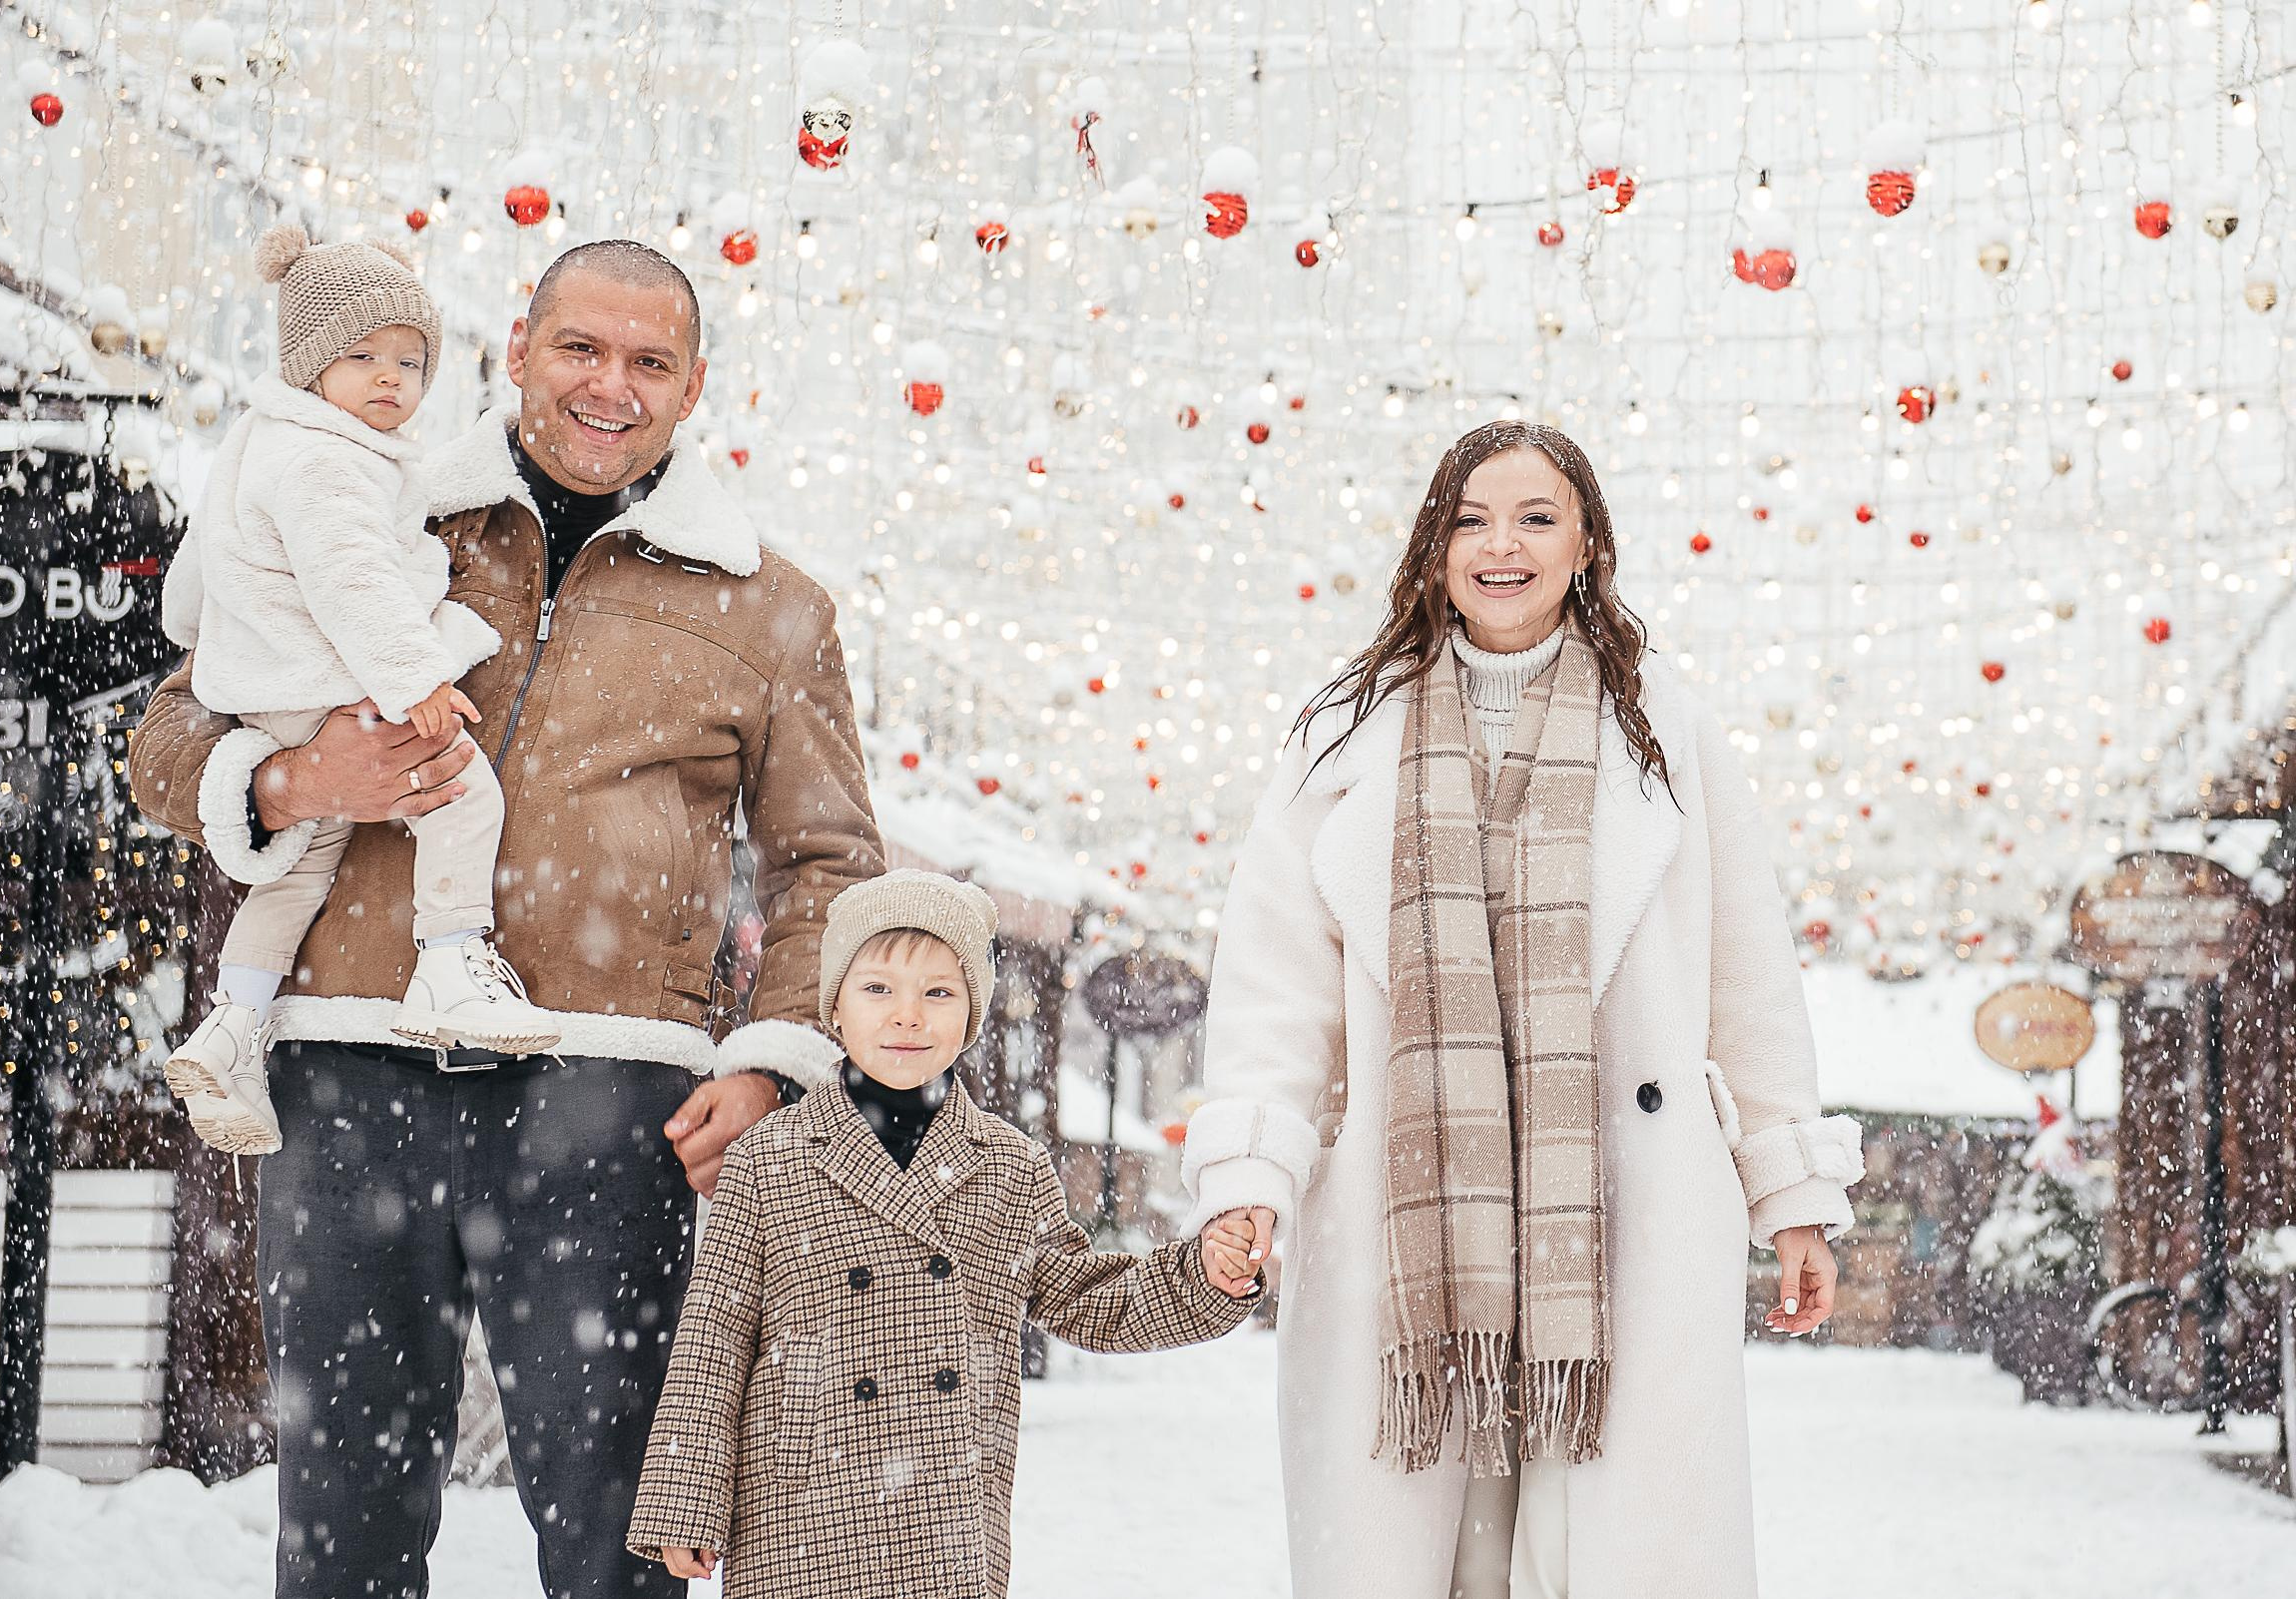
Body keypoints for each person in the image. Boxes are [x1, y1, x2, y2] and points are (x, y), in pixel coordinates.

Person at [127, 240, 883, 1599]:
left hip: (608, 1102)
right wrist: (297, 776)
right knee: (342, 1533)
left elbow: (830, 862)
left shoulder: (773, 608)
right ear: (518, 342)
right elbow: (169, 736)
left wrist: (774, 1055)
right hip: (349, 1075)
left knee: (617, 1538)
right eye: (581, 348)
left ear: (694, 385)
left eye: (650, 361)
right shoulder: (371, 503)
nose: (611, 385)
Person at [1179, 420, 1866, 1599]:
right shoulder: (1343, 734)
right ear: (1433, 547)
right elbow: (1275, 979)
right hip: (1410, 1203)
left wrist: (1792, 1195)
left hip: (1618, 1205)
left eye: (1537, 517)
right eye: (1471, 518)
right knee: (1431, 1554)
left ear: (1588, 542)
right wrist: (1251, 1174)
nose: (1503, 544)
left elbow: (1748, 975)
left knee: (1593, 1550)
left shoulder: (1669, 733)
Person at [626, 868, 1264, 1597]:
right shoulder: (769, 1158)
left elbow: (1088, 1296)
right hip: (799, 1507)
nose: (908, 1016)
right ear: (834, 1006)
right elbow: (715, 1335)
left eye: (938, 992)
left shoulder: (1010, 1167)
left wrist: (1203, 1277)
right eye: (877, 990)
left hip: (946, 1516)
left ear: (972, 1014)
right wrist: (686, 1499)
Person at [157, 224, 557, 1157]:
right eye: (361, 356)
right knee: (461, 795)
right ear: (308, 365)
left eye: (411, 361)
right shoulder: (329, 458)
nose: (390, 379)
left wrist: (208, 636)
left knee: (300, 863)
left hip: (267, 687)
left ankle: (232, 1026)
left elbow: (189, 582)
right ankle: (451, 964)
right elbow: (353, 582)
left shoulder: (258, 440)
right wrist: (416, 679)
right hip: (330, 680)